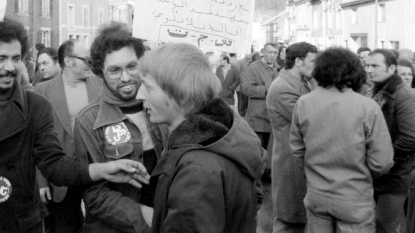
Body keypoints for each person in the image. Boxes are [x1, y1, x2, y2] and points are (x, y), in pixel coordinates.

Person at [0, 19, 149, 233]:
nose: (11, 67)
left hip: (19, 223)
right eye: (1, 59)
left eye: (16, 58)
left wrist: (100, 170)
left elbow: (54, 164)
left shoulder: (36, 106)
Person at [137, 43, 263, 232]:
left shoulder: (197, 167)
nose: (139, 94)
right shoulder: (215, 139)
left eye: (148, 87)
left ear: (181, 94)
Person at [74, 22, 168, 233]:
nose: (125, 78)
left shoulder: (162, 108)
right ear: (100, 72)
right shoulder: (88, 121)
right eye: (114, 71)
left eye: (132, 67)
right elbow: (94, 195)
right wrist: (148, 218)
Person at [290, 47, 394, 232]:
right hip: (354, 195)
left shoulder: (304, 103)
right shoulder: (367, 107)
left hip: (317, 194)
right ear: (354, 72)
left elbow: (297, 151)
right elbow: (382, 162)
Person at [34, 40, 103, 233]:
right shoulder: (41, 91)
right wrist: (41, 182)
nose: (91, 63)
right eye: (86, 59)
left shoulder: (101, 85)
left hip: (96, 169)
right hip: (61, 175)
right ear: (69, 61)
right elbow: (37, 140)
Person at [266, 42, 317, 232]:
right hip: (290, 165)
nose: (316, 66)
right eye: (312, 61)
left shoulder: (300, 82)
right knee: (289, 220)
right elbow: (309, 122)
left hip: (297, 162)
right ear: (298, 61)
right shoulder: (283, 88)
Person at [365, 49, 415, 232]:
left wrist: (381, 159)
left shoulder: (405, 95)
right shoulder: (372, 91)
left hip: (394, 175)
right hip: (375, 173)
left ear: (392, 68)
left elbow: (411, 138)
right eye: (368, 65)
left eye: (375, 66)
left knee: (385, 227)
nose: (369, 70)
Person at [242, 42, 280, 182]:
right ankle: (254, 180)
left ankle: (266, 175)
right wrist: (268, 89)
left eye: (275, 53)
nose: (272, 55)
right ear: (263, 51)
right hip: (258, 117)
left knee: (271, 152)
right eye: (270, 52)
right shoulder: (254, 67)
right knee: (258, 151)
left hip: (274, 117)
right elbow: (246, 88)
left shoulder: (278, 69)